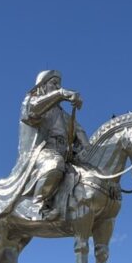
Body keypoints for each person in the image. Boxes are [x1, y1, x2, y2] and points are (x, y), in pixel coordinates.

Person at [19, 70, 88, 220]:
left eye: (59, 84)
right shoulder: (32, 101)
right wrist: (61, 94)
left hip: (65, 154)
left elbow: (79, 132)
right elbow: (32, 112)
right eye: (54, 83)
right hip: (42, 152)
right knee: (54, 164)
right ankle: (37, 205)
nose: (57, 87)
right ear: (42, 85)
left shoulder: (64, 115)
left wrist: (86, 149)